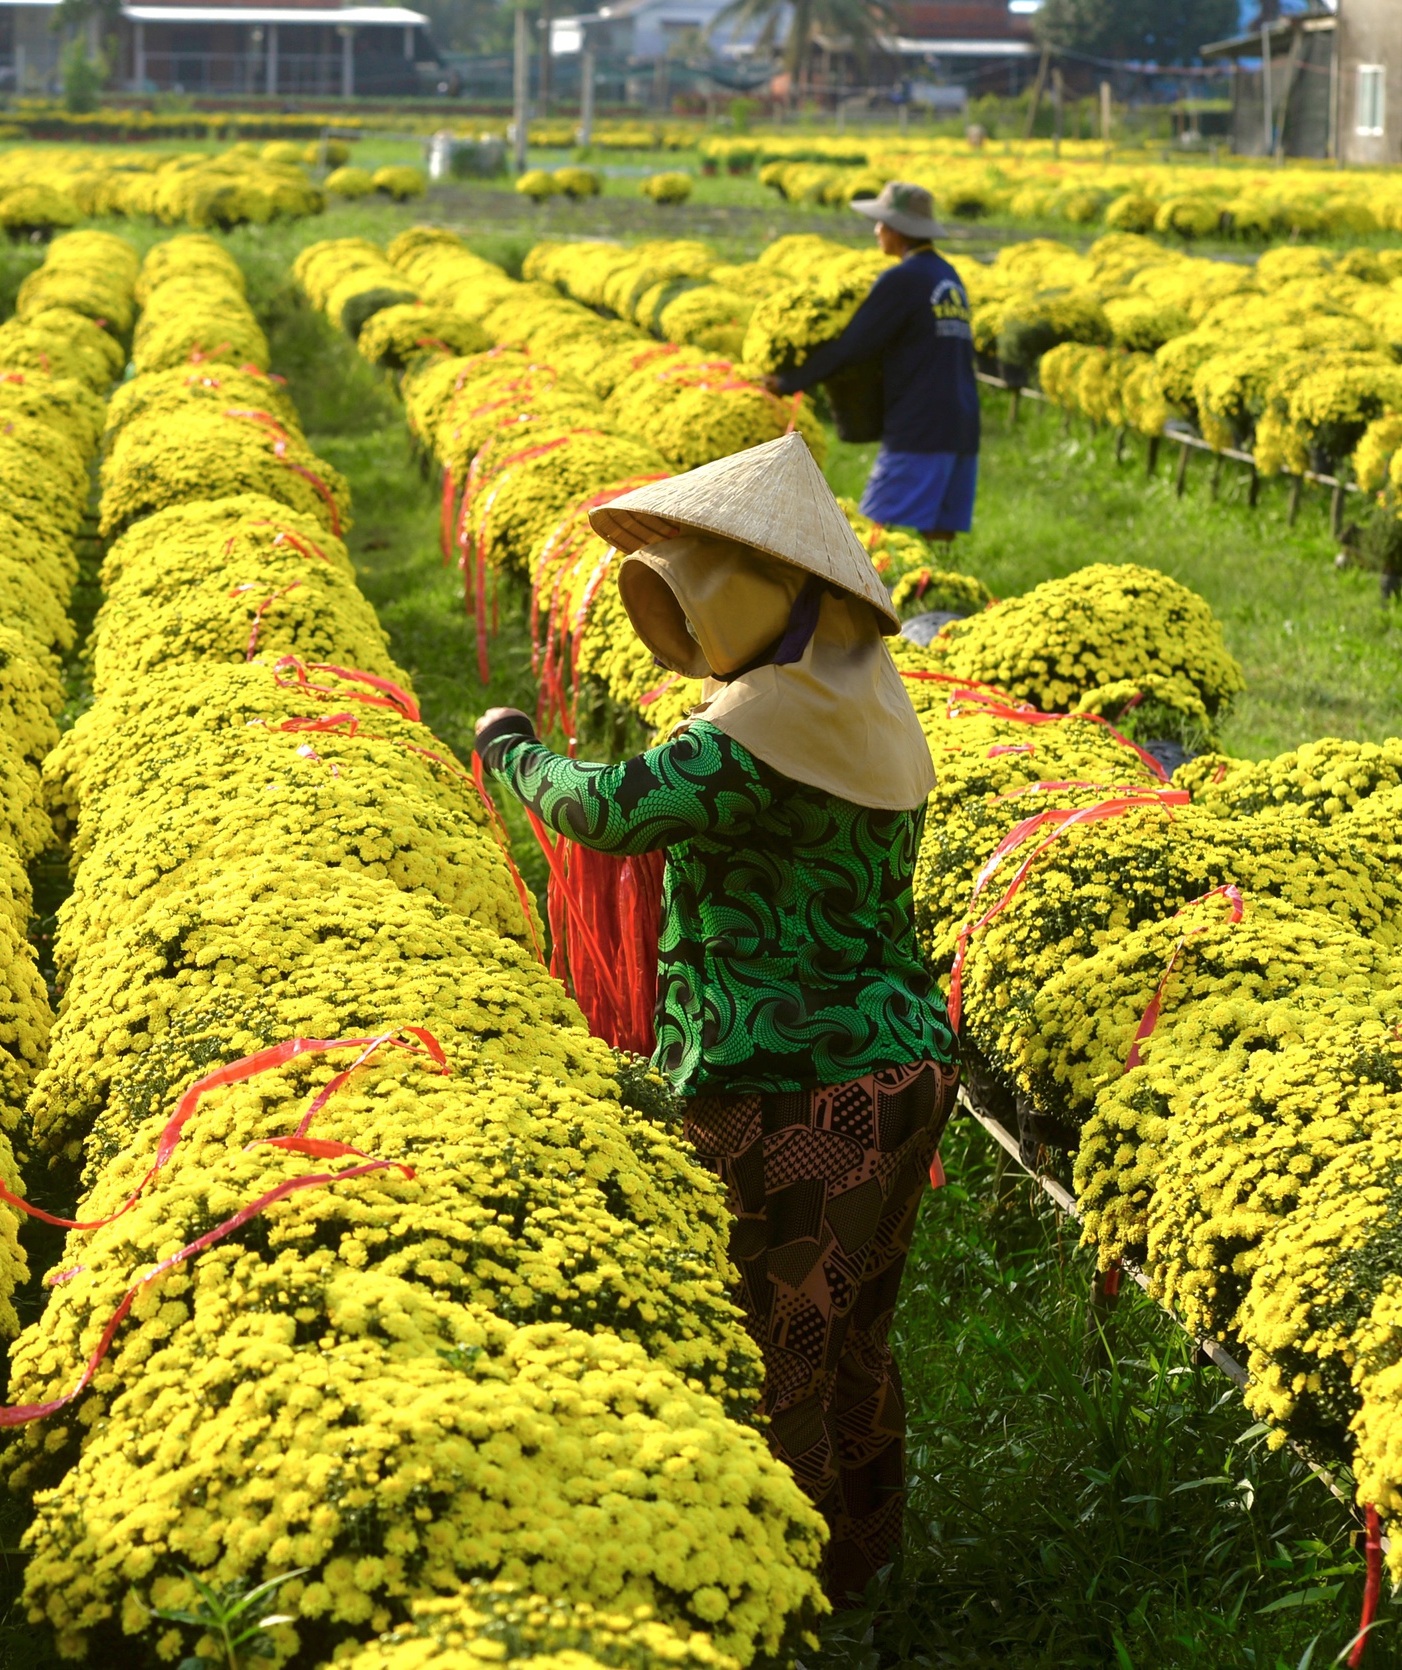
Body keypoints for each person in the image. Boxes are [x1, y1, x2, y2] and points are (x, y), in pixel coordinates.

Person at [474, 434, 955, 1608]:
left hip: (791, 1083)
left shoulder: (750, 741)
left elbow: (605, 810)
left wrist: (507, 751)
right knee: (857, 1337)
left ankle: (778, 1593)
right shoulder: (856, 697)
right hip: (900, 1067)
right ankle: (869, 1565)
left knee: (775, 1344)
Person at [762, 180, 980, 545]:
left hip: (920, 427)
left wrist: (787, 381)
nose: (876, 230)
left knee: (868, 537)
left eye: (881, 223)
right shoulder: (947, 276)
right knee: (939, 535)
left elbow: (852, 346)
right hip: (962, 424)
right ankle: (936, 594)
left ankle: (873, 599)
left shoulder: (903, 279)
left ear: (898, 229)